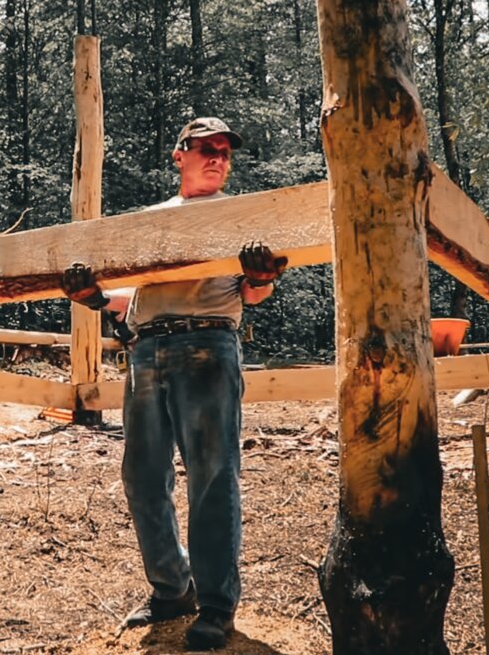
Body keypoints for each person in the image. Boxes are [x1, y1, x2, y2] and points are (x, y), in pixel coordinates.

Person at [61, 117, 287, 650]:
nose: (218, 158)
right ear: (178, 155)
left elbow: (253, 295)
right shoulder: (148, 223)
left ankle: (215, 606)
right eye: (206, 149)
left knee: (211, 478)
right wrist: (93, 296)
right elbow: (134, 297)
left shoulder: (241, 218)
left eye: (225, 152)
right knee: (142, 476)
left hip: (207, 345)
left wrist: (261, 275)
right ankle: (171, 590)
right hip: (145, 348)